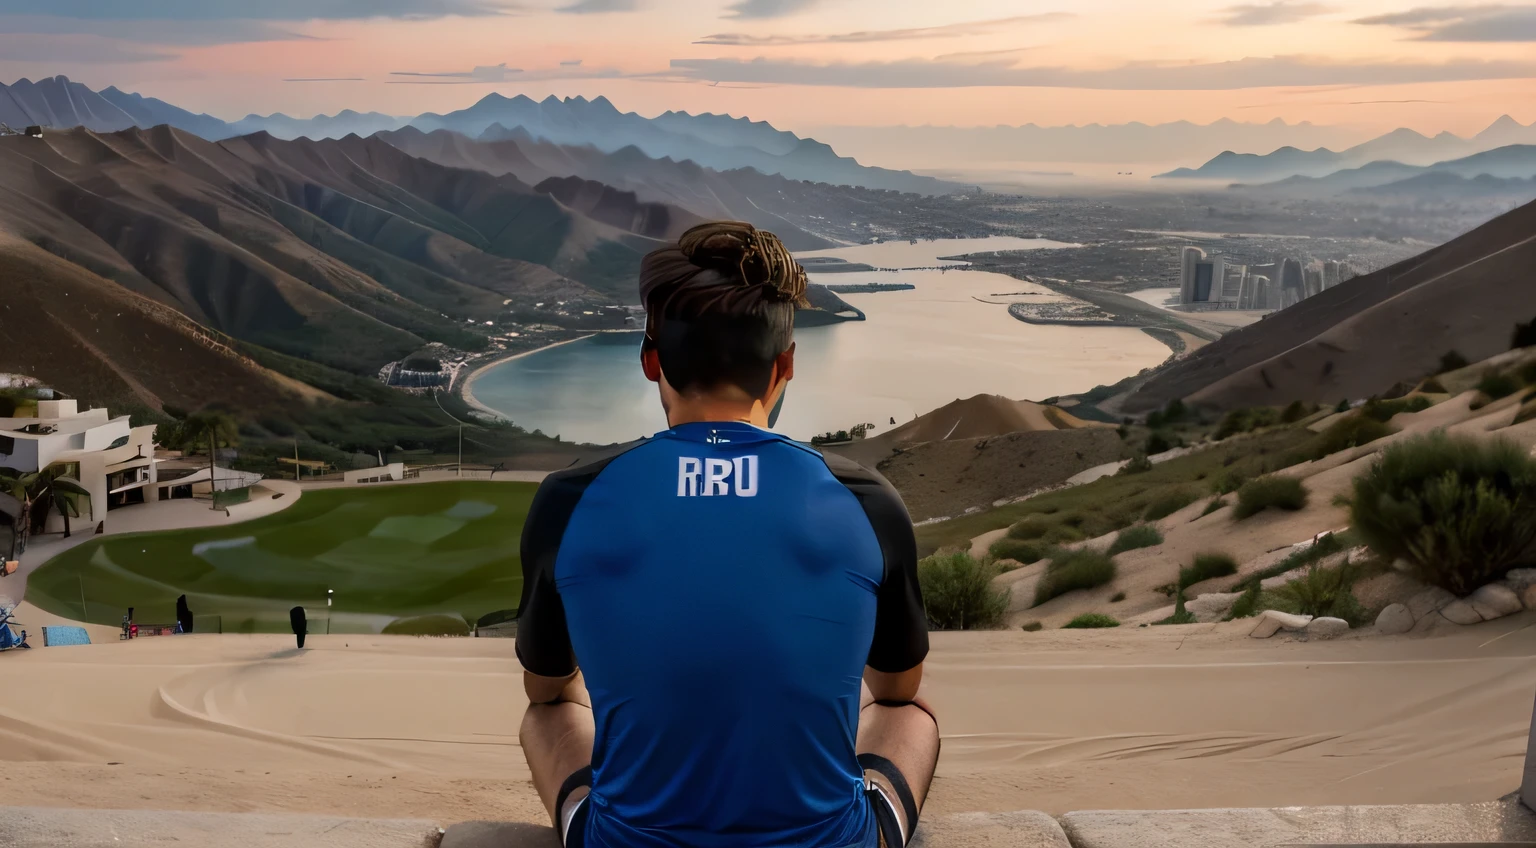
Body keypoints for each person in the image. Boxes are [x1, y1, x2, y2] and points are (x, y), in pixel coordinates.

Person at [516, 222, 938, 848]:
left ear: (650, 359)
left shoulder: (568, 501)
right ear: (785, 365)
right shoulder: (866, 501)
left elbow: (545, 684)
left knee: (546, 714)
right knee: (912, 716)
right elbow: (897, 686)